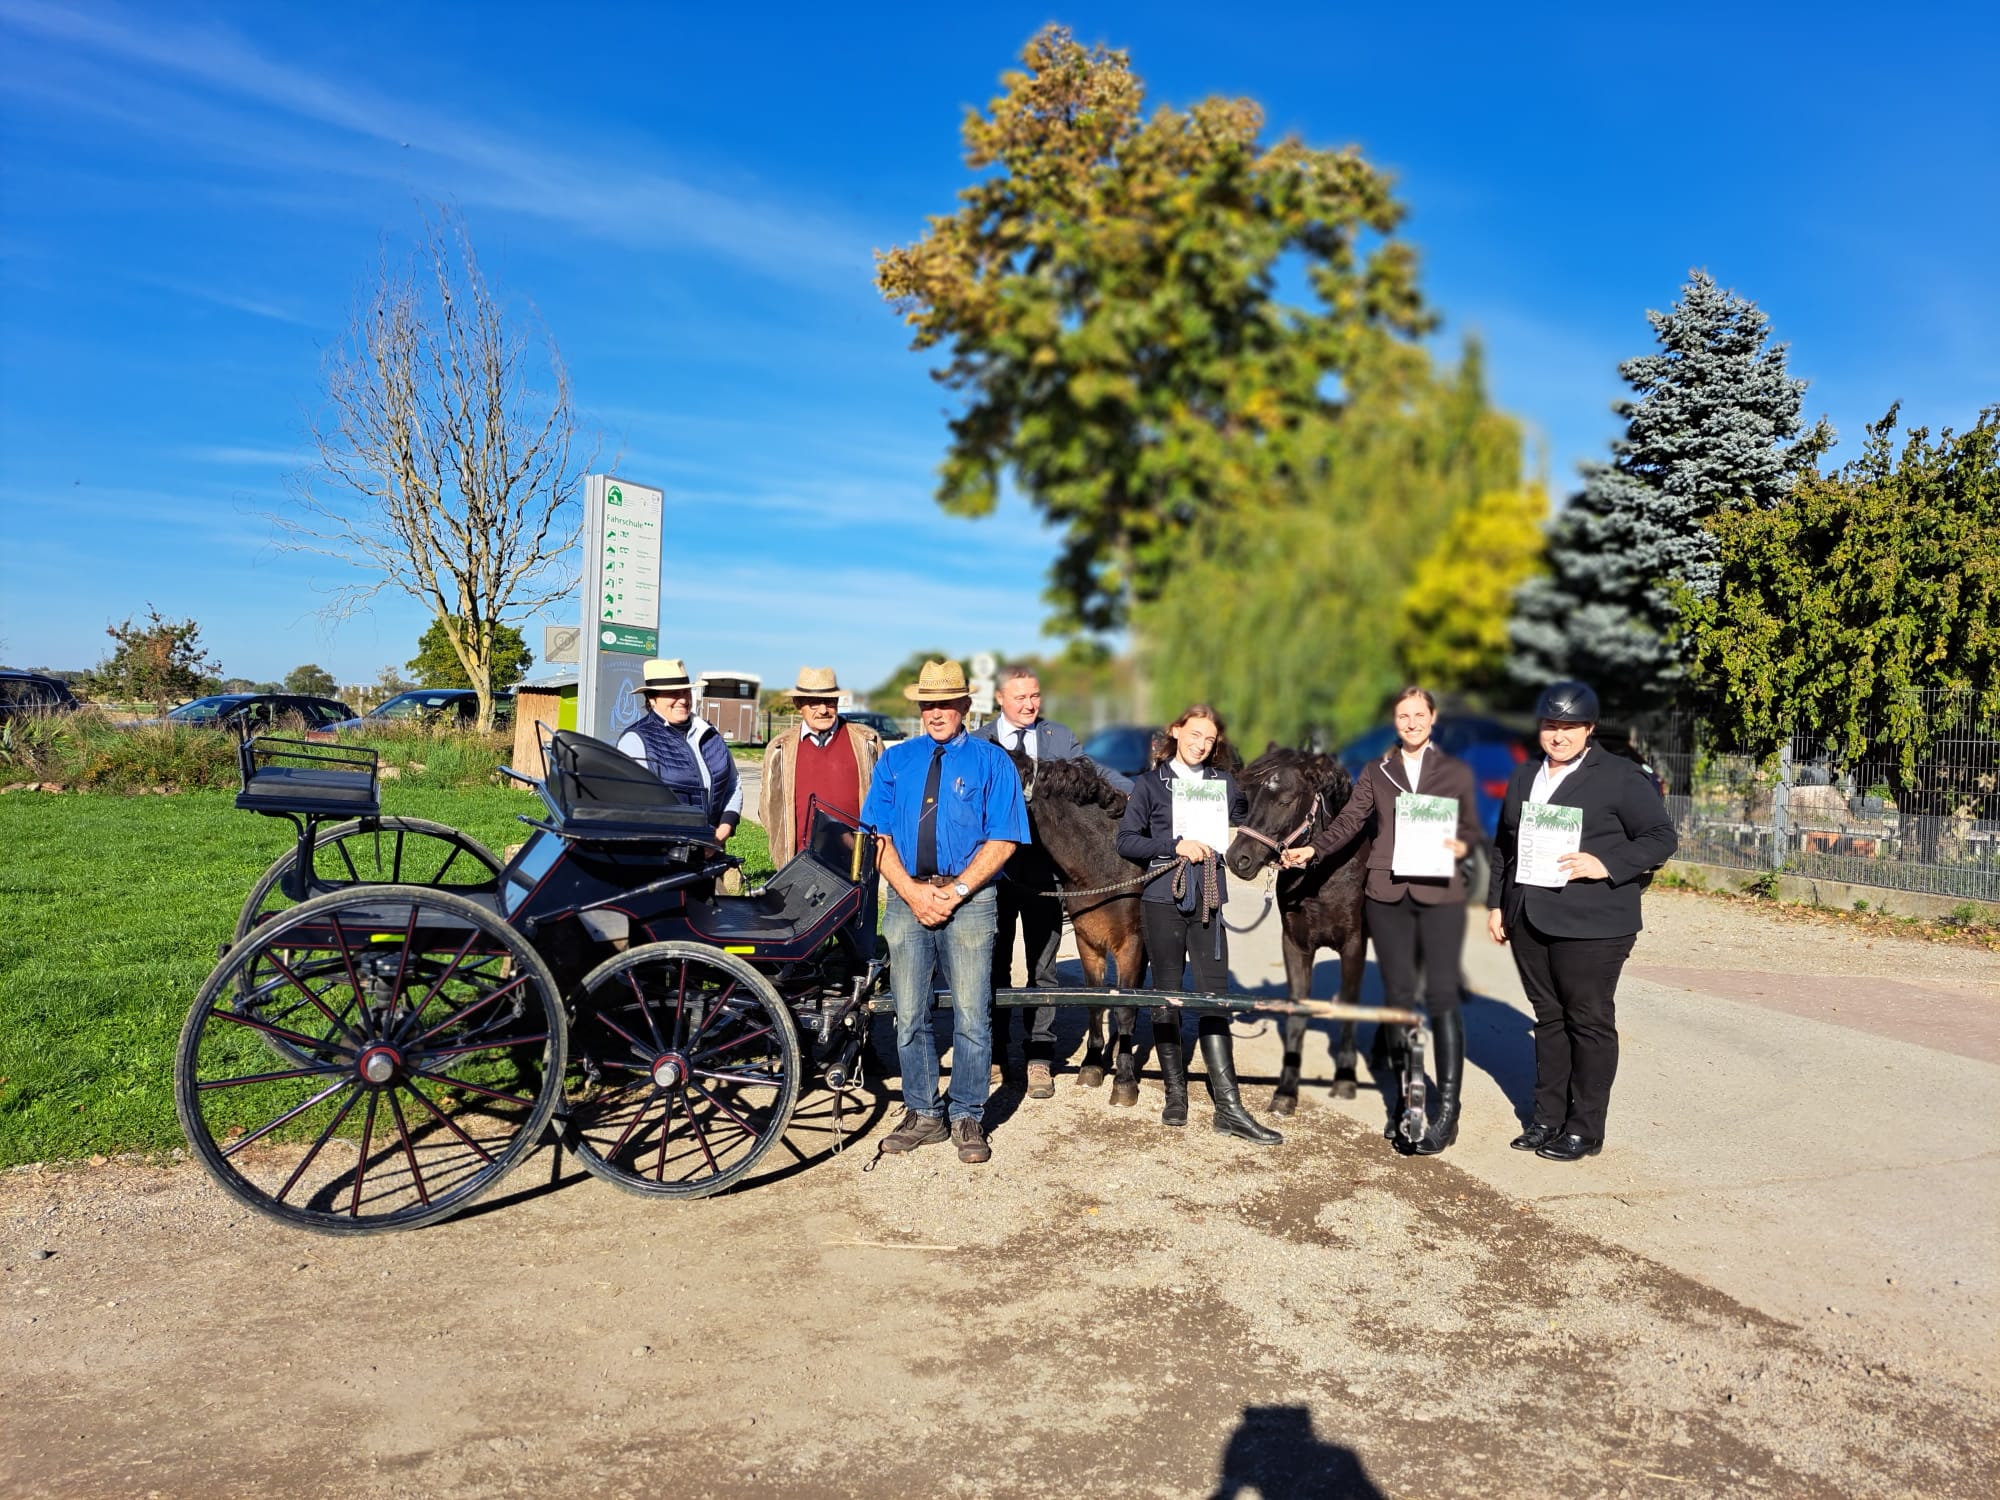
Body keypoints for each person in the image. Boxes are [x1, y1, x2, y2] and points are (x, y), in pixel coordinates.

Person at [1279, 687, 1485, 1154]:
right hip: (1388, 896)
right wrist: (1312, 850)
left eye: (1419, 714)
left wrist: (1463, 843)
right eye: (1402, 716)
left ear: (1433, 718)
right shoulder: (1377, 771)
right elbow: (1350, 821)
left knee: (1441, 998)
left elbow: (1472, 827)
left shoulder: (1455, 771)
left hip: (1439, 894)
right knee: (1398, 1000)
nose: (1411, 723)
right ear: (1395, 722)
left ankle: (1447, 1112)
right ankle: (1406, 1103)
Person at [1487, 680, 1677, 1161]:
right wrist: (1496, 904)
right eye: (1551, 725)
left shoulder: (1620, 776)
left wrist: (1605, 863)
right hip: (1528, 915)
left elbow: (1660, 837)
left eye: (1569, 726)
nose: (1559, 735)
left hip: (1594, 922)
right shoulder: (1523, 776)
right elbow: (1504, 845)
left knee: (1588, 1021)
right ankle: (1547, 1118)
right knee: (1549, 1019)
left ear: (1589, 728)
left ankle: (1585, 1128)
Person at [861, 659, 1029, 1165]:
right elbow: (877, 836)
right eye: (928, 704)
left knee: (973, 1014)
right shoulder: (896, 761)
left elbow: (1004, 840)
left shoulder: (992, 762)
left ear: (965, 706)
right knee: (909, 1013)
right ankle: (923, 1112)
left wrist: (954, 892)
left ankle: (968, 1113)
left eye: (946, 703)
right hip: (906, 899)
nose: (936, 712)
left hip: (971, 903)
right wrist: (912, 893)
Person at [1116, 704, 1281, 1144]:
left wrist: (1282, 846)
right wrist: (1174, 845)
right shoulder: (1150, 784)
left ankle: (1229, 1106)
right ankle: (1176, 1093)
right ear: (1176, 731)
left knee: (1215, 997)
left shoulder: (1223, 784)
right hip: (1162, 898)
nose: (1201, 744)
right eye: (1195, 734)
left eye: (1210, 739)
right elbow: (1126, 840)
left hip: (1209, 896)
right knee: (1167, 995)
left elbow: (1253, 823)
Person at [974, 664, 1130, 1098]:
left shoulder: (1058, 737)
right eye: (1020, 697)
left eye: (1035, 696)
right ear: (1000, 699)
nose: (1030, 705)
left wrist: (1140, 793)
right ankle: (996, 1053)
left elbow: (1094, 772)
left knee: (1043, 968)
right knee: (993, 966)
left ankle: (1039, 1055)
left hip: (1045, 870)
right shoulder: (980, 742)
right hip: (993, 871)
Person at [755, 666, 884, 867]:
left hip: (856, 863)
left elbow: (886, 800)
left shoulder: (867, 742)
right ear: (798, 704)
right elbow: (767, 808)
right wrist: (782, 845)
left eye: (830, 701)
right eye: (814, 703)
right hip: (798, 863)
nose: (823, 710)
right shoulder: (780, 749)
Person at [616, 657, 741, 842]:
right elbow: (633, 805)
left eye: (686, 691)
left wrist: (723, 830)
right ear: (651, 698)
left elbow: (733, 784)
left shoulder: (710, 734)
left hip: (713, 846)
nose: (683, 699)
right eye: (673, 693)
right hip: (664, 851)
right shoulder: (635, 741)